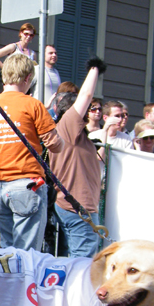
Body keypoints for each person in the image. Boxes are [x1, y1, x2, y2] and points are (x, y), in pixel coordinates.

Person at [0, 53, 63, 251]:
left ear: (4, 77)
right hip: (27, 185)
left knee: (8, 250)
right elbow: (55, 144)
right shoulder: (33, 104)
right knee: (26, 254)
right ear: (29, 78)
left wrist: (0, 151)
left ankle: (8, 281)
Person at [48, 59, 104, 258]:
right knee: (82, 264)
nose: (89, 113)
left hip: (76, 206)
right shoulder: (68, 126)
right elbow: (87, 95)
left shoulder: (73, 135)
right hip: (77, 207)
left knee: (72, 260)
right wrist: (95, 67)